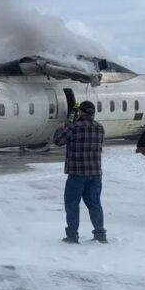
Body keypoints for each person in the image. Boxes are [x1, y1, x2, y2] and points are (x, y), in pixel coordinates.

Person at [52, 101, 107, 244]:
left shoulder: (73, 127)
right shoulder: (100, 128)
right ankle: (100, 233)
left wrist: (60, 128)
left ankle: (72, 235)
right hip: (95, 174)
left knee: (72, 204)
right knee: (95, 204)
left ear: (81, 113)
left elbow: (58, 141)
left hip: (77, 174)